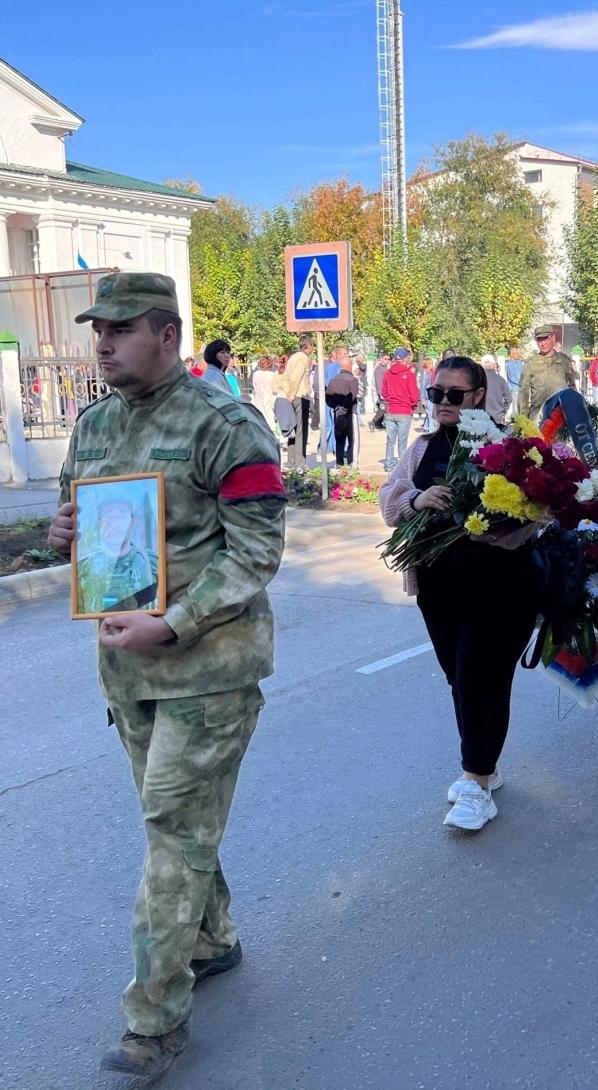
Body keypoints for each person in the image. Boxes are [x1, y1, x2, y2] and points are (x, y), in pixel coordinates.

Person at [48, 272, 286, 1078]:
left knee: (172, 836)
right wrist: (63, 533)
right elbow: (77, 524)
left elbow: (256, 551)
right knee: (178, 829)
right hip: (127, 668)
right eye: (98, 331)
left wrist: (176, 621)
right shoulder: (92, 426)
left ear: (169, 335)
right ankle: (212, 939)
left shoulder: (228, 424)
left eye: (120, 330)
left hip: (206, 671)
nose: (103, 345)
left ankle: (153, 1022)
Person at [378, 357, 539, 829]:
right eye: (436, 393)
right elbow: (389, 499)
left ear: (477, 396)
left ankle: (476, 779)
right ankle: (484, 764)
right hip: (438, 584)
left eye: (454, 394)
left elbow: (538, 509)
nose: (443, 402)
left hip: (502, 585)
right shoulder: (423, 447)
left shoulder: (509, 445)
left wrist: (493, 524)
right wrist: (416, 499)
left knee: (479, 677)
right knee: (458, 676)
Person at [76, 496, 159, 614]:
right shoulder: (85, 568)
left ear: (132, 521)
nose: (114, 524)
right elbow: (82, 610)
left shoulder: (152, 564)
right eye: (108, 517)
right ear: (100, 524)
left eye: (121, 517)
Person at [515, 325, 577, 419]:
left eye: (546, 339)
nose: (543, 343)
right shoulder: (530, 363)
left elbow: (572, 388)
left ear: (553, 338)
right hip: (537, 418)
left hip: (560, 418)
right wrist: (523, 420)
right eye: (539, 340)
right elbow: (523, 393)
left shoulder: (564, 361)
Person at [278, 334, 314, 467]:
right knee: (301, 430)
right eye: (312, 346)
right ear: (308, 346)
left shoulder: (293, 357)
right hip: (300, 395)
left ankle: (291, 461)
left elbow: (287, 376)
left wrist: (288, 393)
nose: (313, 349)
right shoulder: (303, 358)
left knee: (293, 430)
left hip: (292, 396)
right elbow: (296, 377)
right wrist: (292, 394)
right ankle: (300, 463)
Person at [380, 347, 420, 469]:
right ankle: (402, 467)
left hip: (391, 410)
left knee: (390, 440)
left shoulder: (387, 373)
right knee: (402, 442)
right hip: (404, 410)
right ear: (405, 359)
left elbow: (384, 392)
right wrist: (413, 405)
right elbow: (414, 393)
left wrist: (390, 400)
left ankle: (389, 464)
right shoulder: (408, 374)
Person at [326, 350, 359, 466]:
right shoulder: (353, 380)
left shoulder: (333, 380)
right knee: (352, 440)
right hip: (350, 413)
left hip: (337, 413)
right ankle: (351, 462)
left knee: (339, 438)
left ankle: (339, 462)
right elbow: (353, 395)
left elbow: (328, 397)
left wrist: (336, 407)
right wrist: (345, 407)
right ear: (350, 366)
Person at [480, 353, 512, 423]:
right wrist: (503, 410)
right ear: (494, 365)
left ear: (482, 366)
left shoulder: (477, 380)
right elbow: (509, 399)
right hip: (498, 418)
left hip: (481, 419)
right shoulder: (500, 379)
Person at [250, 356, 278, 433]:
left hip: (258, 400)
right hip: (269, 400)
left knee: (261, 421)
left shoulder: (255, 374)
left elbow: (254, 386)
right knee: (270, 422)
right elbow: (275, 389)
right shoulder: (273, 375)